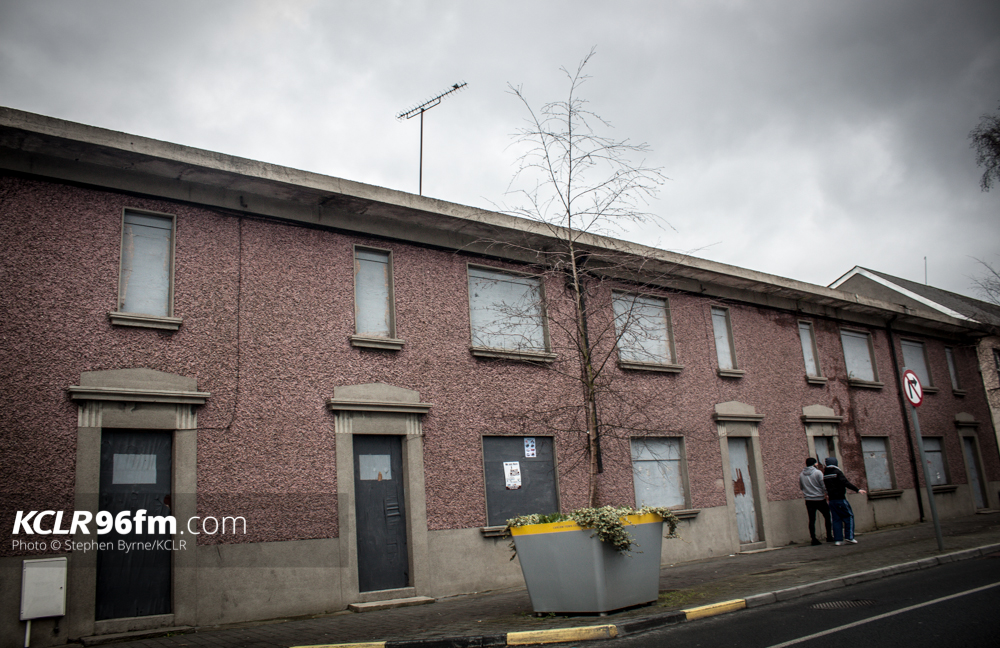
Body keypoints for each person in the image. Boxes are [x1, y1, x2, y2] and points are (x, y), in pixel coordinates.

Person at [823, 457, 867, 545]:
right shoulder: (837, 472)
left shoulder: (825, 474)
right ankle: (849, 537)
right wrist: (857, 490)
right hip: (840, 498)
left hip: (831, 500)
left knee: (836, 519)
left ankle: (838, 539)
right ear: (835, 463)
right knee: (849, 516)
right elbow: (845, 483)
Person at [799, 458, 833, 545]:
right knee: (827, 516)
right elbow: (823, 485)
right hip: (819, 499)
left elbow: (801, 487)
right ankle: (829, 536)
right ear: (814, 464)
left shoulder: (801, 474)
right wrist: (828, 493)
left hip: (809, 500)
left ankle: (813, 539)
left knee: (811, 519)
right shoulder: (818, 473)